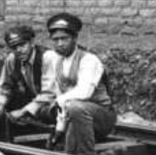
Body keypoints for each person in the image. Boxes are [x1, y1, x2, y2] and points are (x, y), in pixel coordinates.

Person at [9, 13, 116, 155]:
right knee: (59, 112)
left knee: (75, 107)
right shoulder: (54, 59)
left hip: (101, 117)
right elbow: (59, 97)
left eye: (64, 39)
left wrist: (60, 101)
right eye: (56, 40)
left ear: (74, 38)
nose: (60, 43)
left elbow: (84, 92)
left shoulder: (89, 60)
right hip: (72, 114)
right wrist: (59, 129)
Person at [0, 25, 45, 141]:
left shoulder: (46, 58)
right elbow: (4, 86)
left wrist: (23, 111)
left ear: (31, 42)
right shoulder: (12, 59)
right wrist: (1, 104)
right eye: (14, 47)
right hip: (31, 98)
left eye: (22, 45)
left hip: (50, 101)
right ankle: (0, 145)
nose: (19, 50)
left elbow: (52, 93)